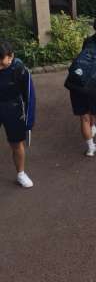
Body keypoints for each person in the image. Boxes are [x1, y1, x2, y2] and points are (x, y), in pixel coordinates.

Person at [0, 41, 36, 188]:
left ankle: (21, 174)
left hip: (12, 108)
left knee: (17, 143)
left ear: (11, 56)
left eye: (1, 62)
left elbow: (30, 97)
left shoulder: (19, 69)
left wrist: (29, 121)